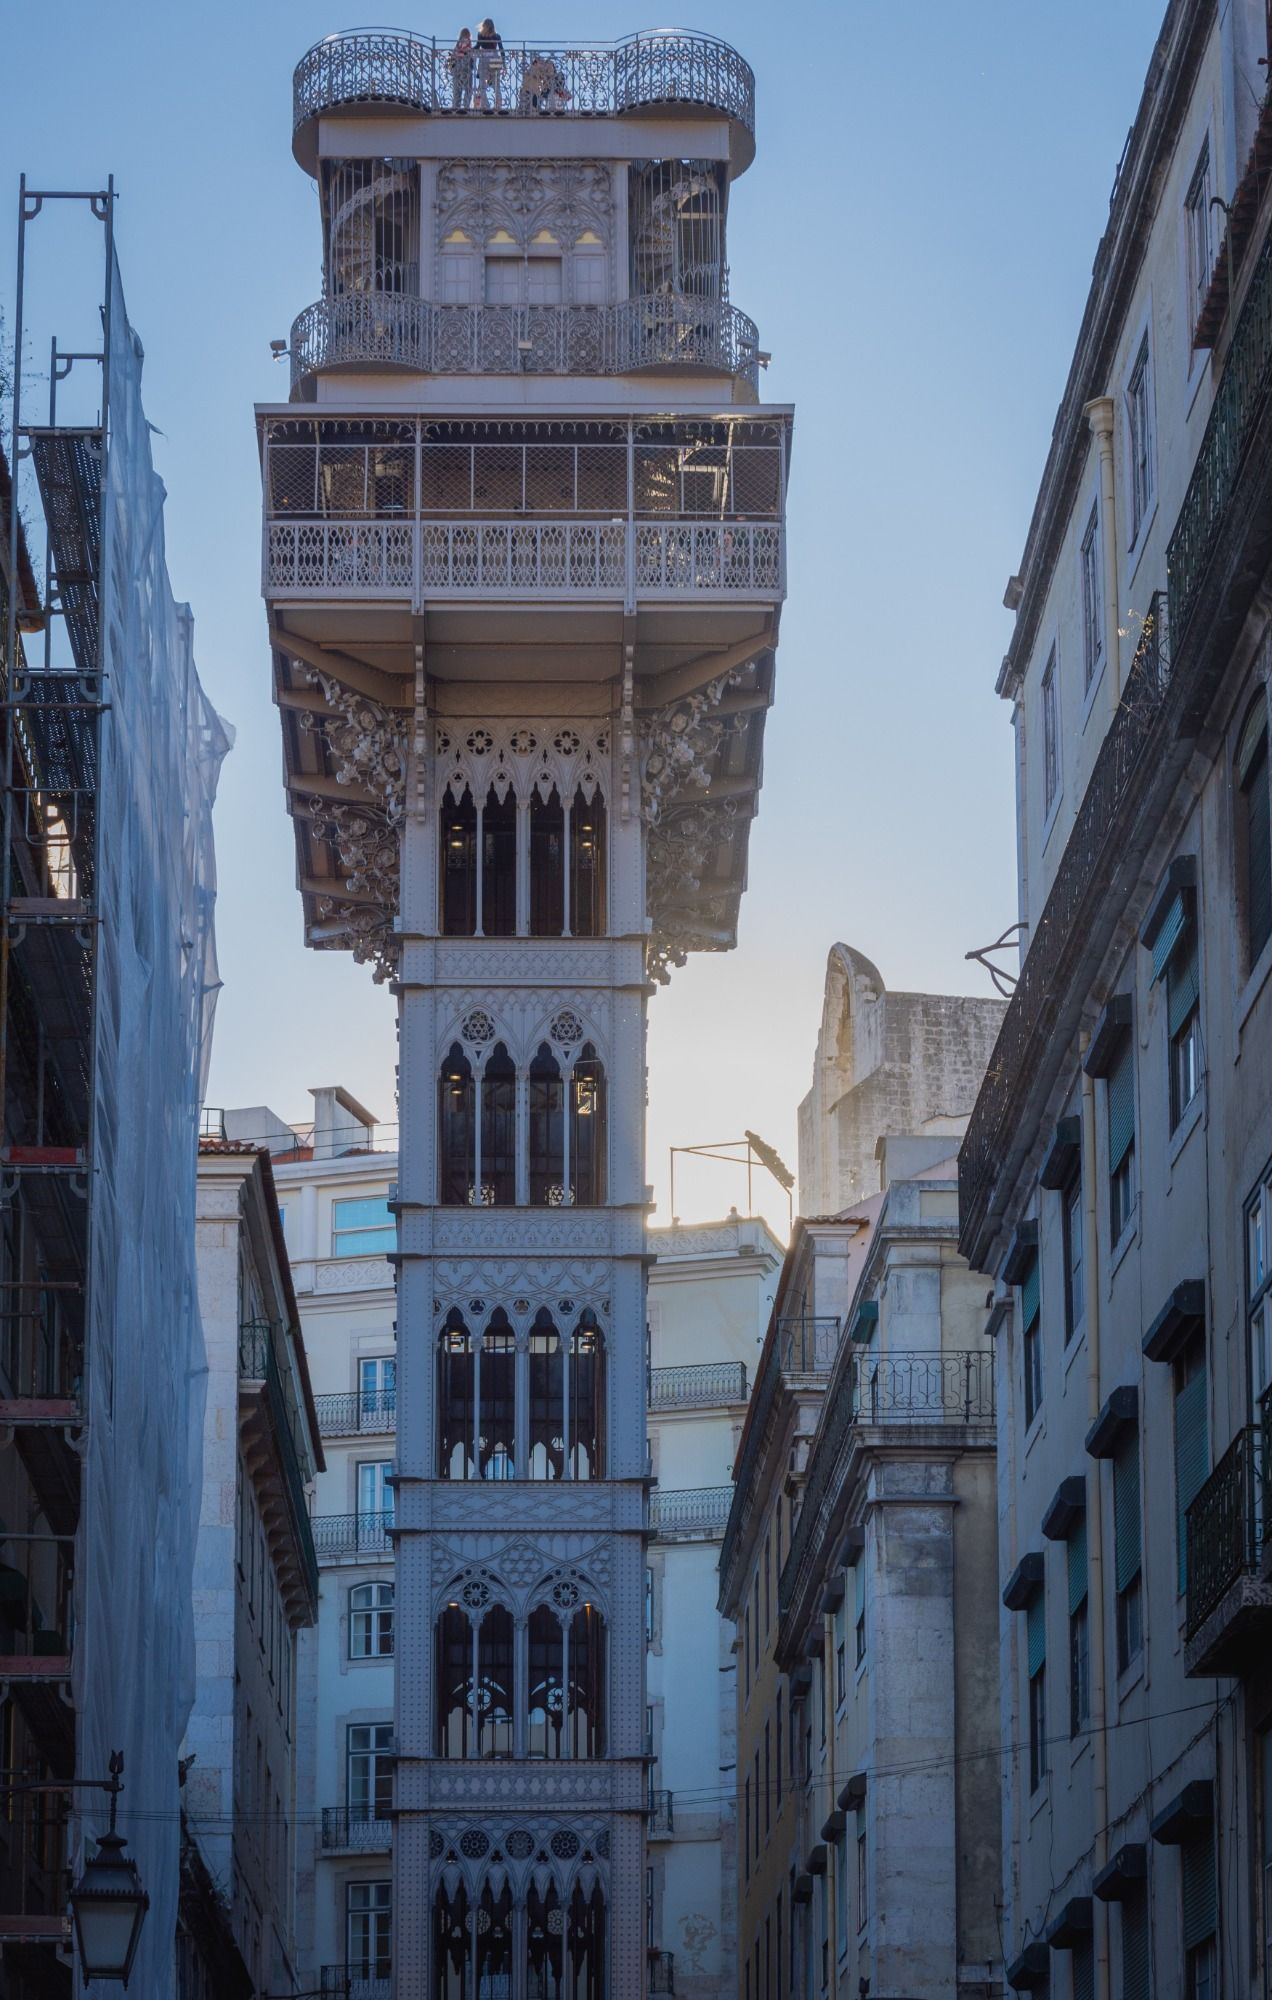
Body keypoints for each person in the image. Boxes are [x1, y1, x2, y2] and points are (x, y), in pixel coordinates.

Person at [473, 17, 504, 112]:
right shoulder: (497, 36)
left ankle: (486, 105)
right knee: (496, 84)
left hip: (485, 58)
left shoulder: (480, 35)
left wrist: (469, 50)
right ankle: (498, 106)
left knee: (482, 84)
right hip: (495, 58)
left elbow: (478, 46)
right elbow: (501, 49)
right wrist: (504, 63)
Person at [446, 27, 474, 110]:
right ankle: (466, 107)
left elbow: (452, 57)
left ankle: (456, 107)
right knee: (468, 89)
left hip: (457, 69)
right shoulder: (467, 42)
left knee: (457, 90)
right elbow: (467, 54)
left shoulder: (457, 44)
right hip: (465, 68)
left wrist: (451, 68)